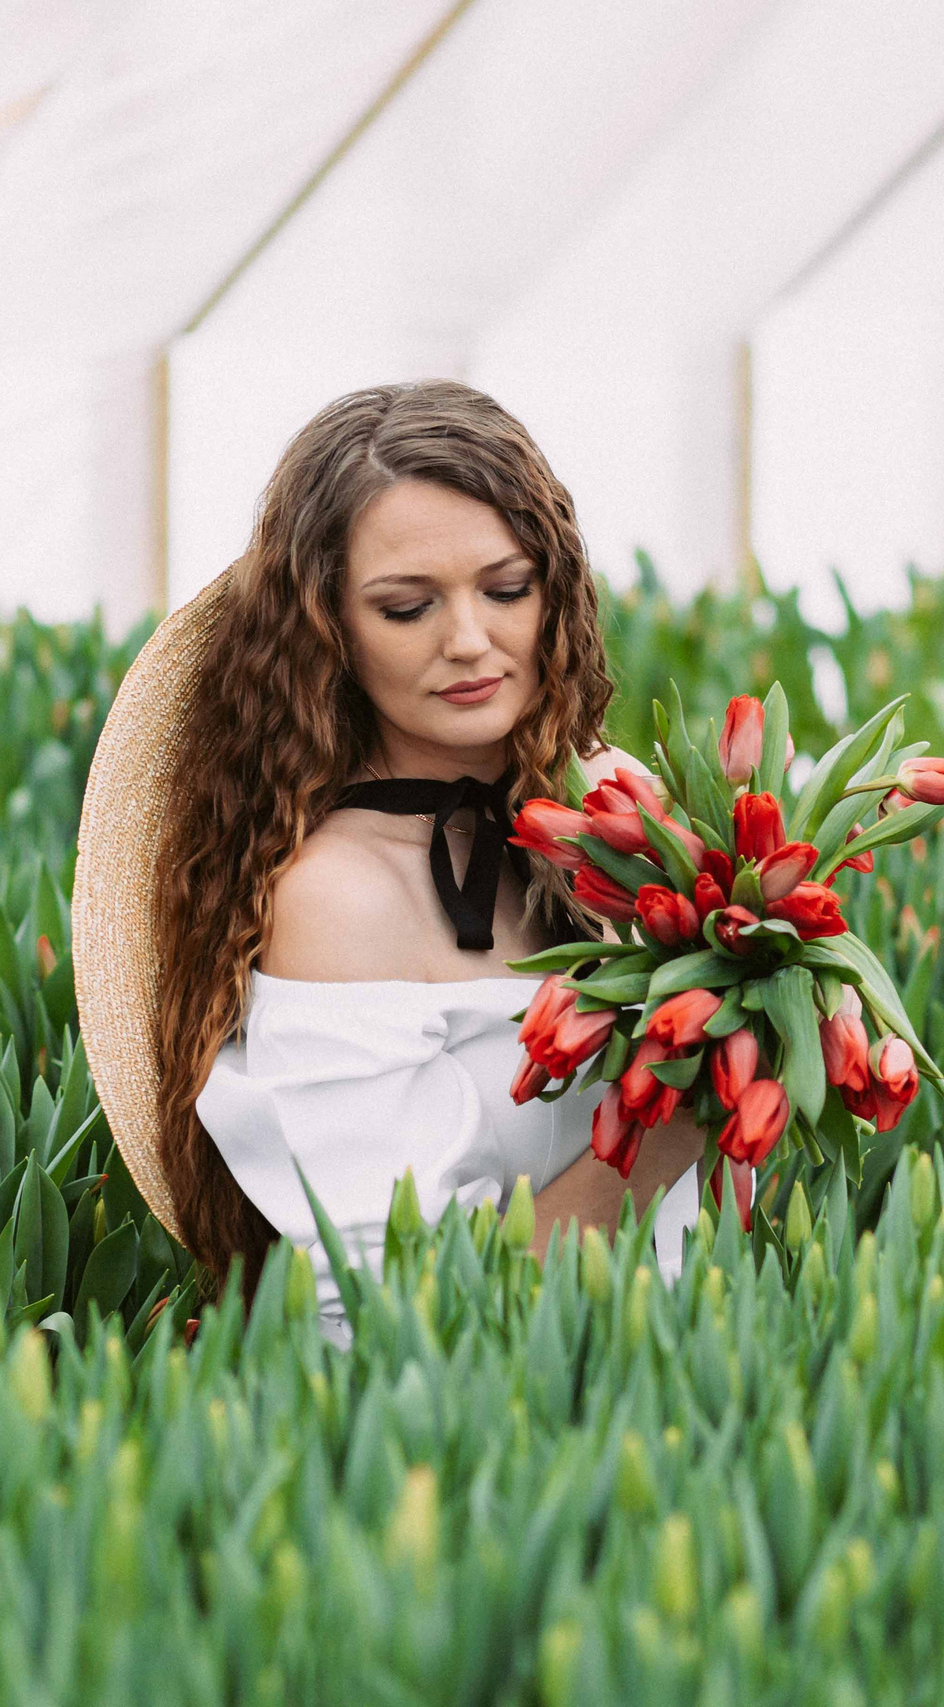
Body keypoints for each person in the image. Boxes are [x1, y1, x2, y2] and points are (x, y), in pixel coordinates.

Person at [73, 380, 703, 1345]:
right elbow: (415, 1308)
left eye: (507, 589)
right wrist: (658, 1133)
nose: (469, 641)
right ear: (327, 631)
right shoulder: (335, 898)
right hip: (432, 1432)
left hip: (675, 1385)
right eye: (408, 607)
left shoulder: (610, 810)